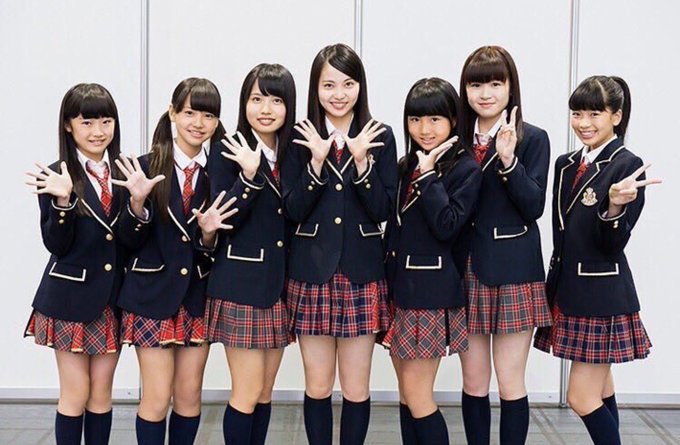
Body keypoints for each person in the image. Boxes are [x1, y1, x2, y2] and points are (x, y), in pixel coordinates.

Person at [281, 43, 398, 445]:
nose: (339, 94)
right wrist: (315, 164)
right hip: (311, 272)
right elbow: (292, 209)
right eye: (328, 84)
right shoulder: (299, 136)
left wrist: (362, 164)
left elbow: (383, 208)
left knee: (356, 386)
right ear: (315, 88)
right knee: (317, 384)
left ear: (360, 86)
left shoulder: (380, 135)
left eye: (348, 84)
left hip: (361, 271)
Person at [535, 75, 661, 445]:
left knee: (581, 397)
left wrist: (615, 207)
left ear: (616, 116)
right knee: (602, 390)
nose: (584, 123)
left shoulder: (627, 165)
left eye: (595, 114)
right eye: (577, 113)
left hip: (600, 295)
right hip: (568, 288)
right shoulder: (565, 163)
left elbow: (612, 243)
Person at [456, 45, 552, 445]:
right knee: (474, 381)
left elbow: (534, 206)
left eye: (496, 83)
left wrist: (509, 161)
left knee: (511, 382)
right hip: (465, 269)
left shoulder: (533, 139)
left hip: (513, 270)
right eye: (476, 84)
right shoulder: (455, 139)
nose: (485, 93)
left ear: (511, 88)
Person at [24, 83, 125, 445]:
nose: (98, 131)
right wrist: (64, 201)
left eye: (106, 121)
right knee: (76, 392)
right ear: (68, 125)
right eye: (87, 122)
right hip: (69, 298)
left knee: (101, 393)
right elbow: (56, 244)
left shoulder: (126, 172)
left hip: (112, 298)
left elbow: (130, 238)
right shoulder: (54, 175)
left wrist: (139, 205)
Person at [383, 77, 481, 445]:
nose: (424, 129)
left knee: (418, 395)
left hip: (430, 292)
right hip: (398, 288)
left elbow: (447, 225)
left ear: (453, 121)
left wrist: (427, 177)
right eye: (415, 119)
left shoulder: (465, 168)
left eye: (435, 119)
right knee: (406, 395)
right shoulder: (404, 164)